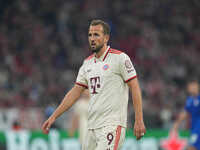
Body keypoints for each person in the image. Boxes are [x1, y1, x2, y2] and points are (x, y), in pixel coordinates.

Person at [42, 19, 146, 150]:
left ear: (106, 38)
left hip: (112, 125)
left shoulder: (120, 58)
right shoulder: (87, 64)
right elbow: (75, 92)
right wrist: (54, 116)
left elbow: (135, 87)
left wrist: (139, 119)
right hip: (91, 128)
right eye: (90, 35)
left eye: (96, 34)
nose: (92, 38)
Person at [173, 79, 200, 150]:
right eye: (189, 86)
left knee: (192, 147)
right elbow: (185, 112)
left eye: (193, 86)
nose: (191, 88)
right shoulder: (190, 100)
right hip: (193, 128)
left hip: (198, 128)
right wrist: (177, 123)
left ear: (198, 86)